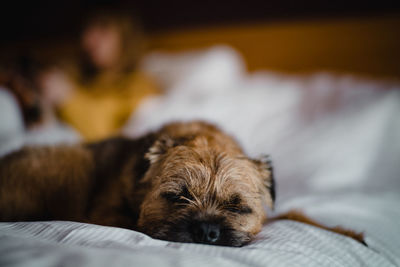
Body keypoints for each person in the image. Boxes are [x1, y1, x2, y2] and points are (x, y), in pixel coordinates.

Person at [50, 10, 159, 141]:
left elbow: (108, 137)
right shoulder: (77, 77)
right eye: (86, 30)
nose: (87, 40)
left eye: (103, 29)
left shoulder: (140, 87)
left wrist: (66, 97)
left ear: (126, 37)